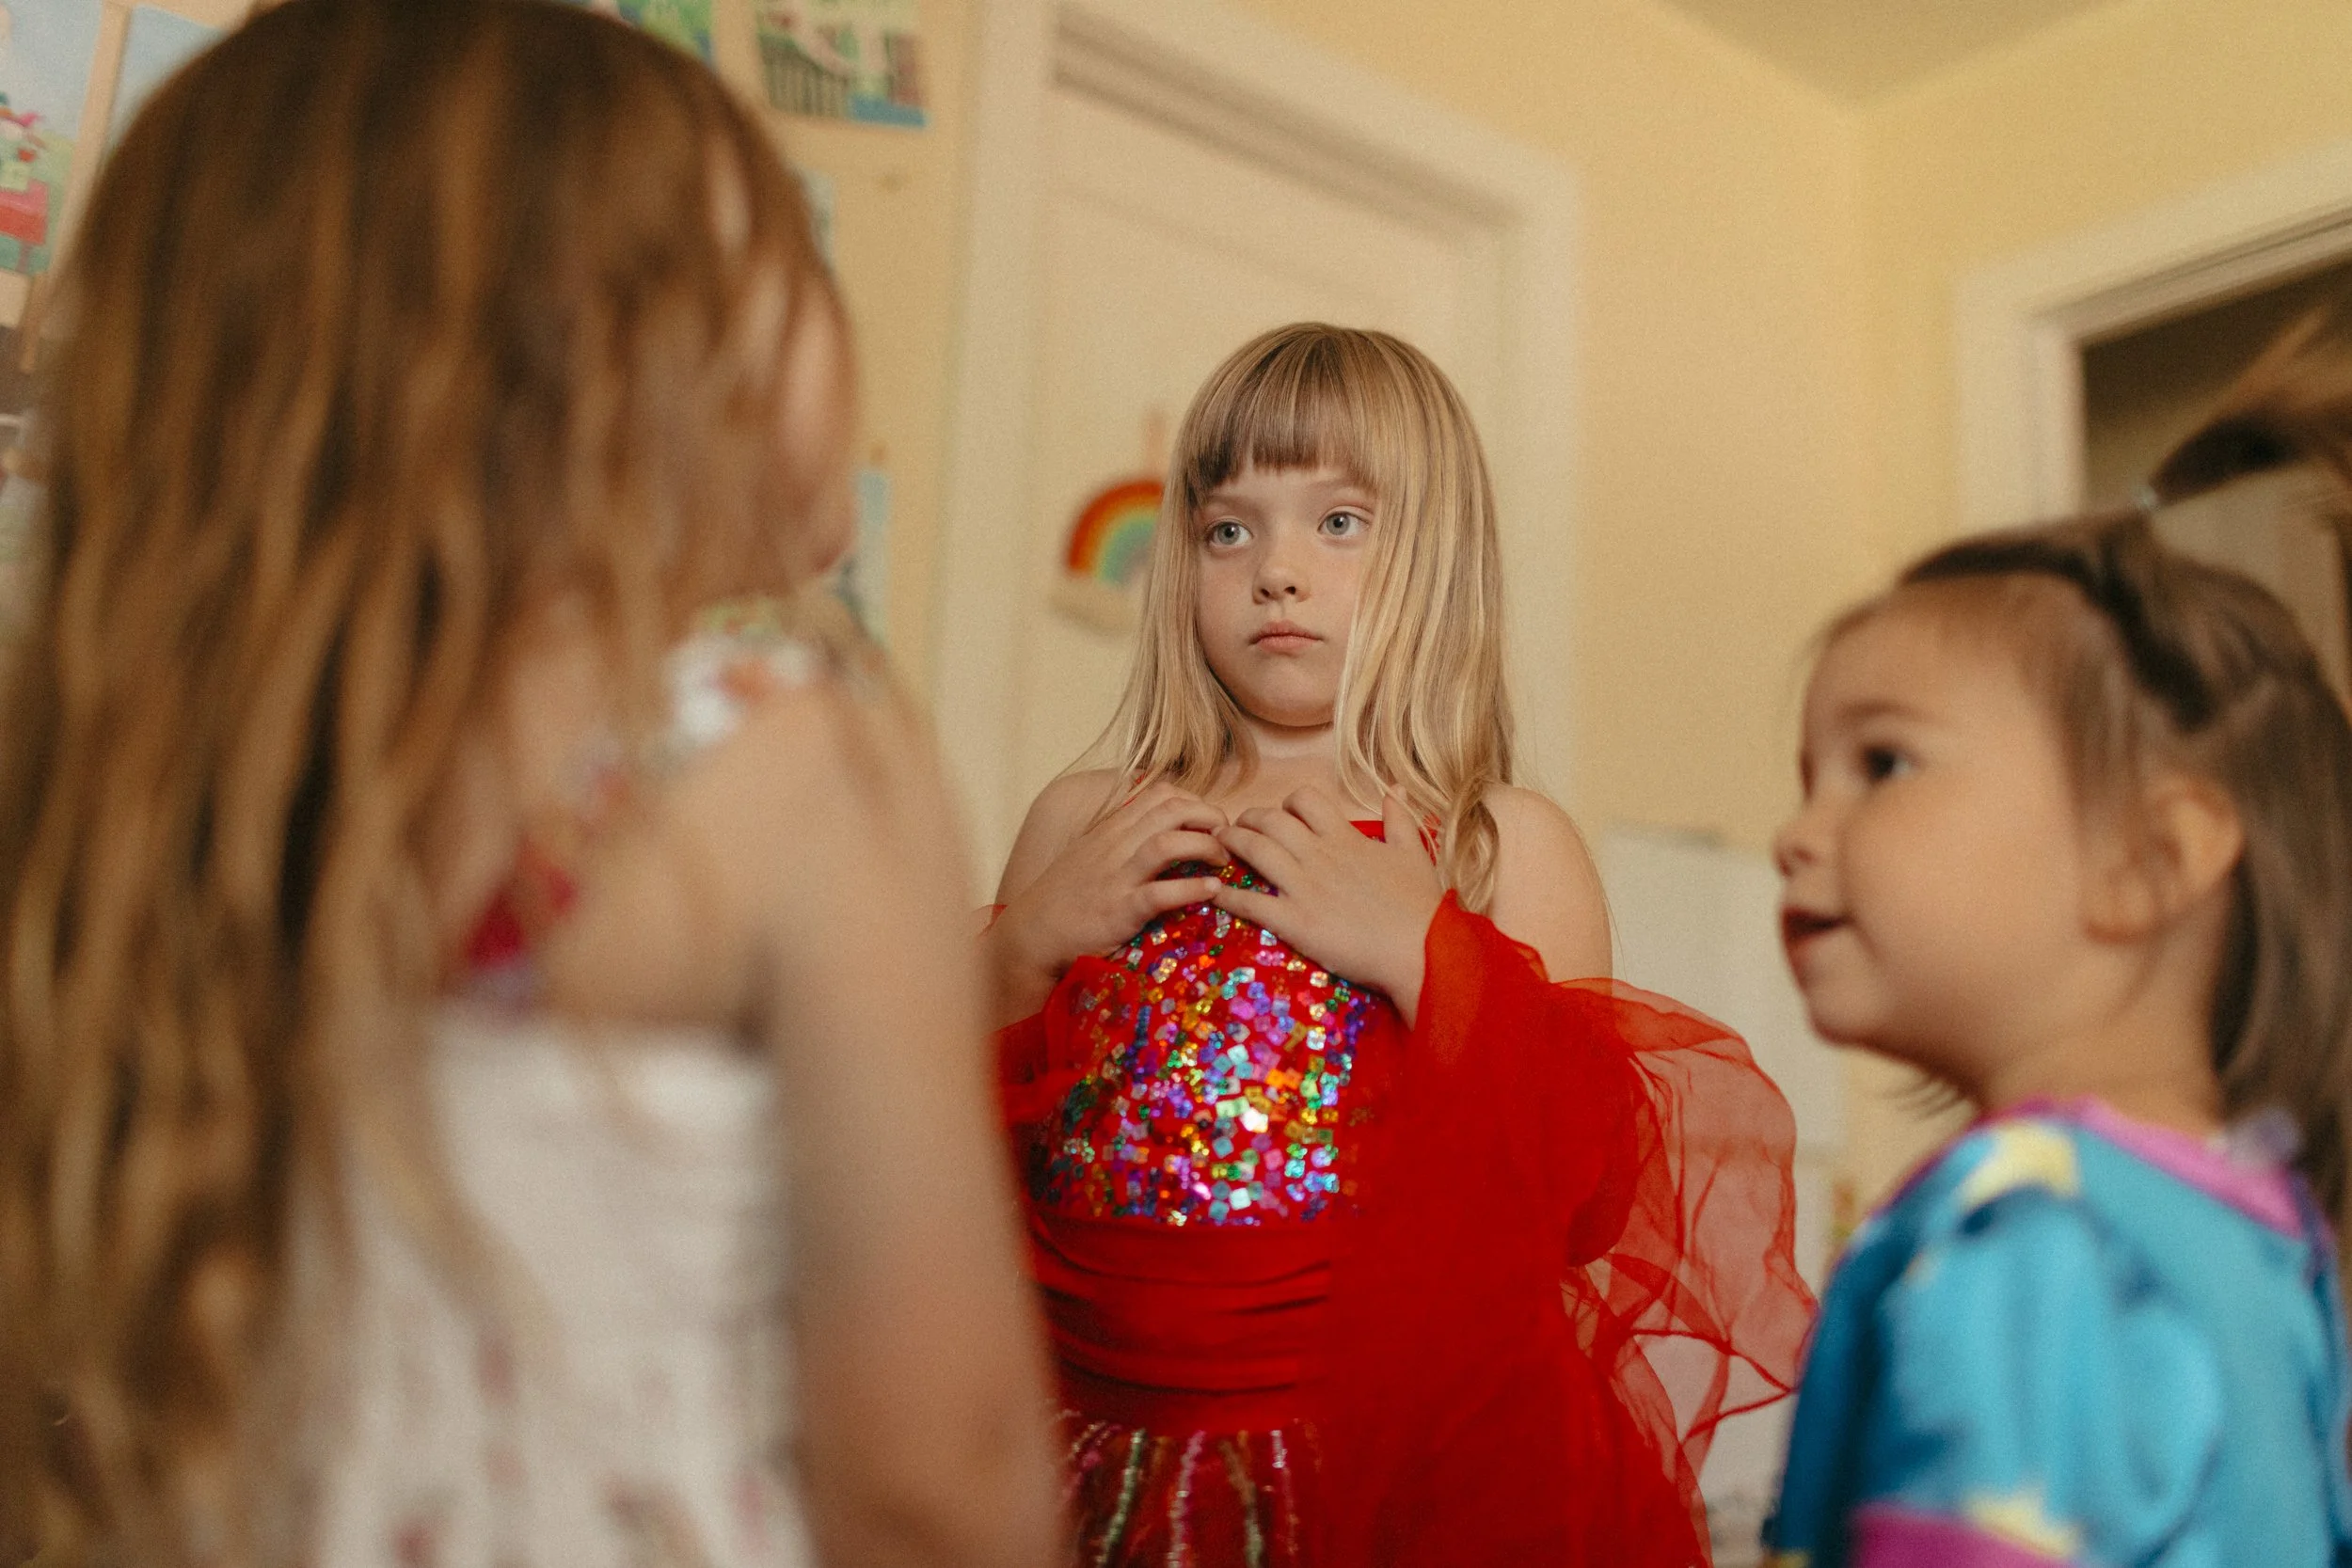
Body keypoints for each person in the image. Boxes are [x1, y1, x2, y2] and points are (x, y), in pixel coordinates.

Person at [0, 3, 1061, 1565]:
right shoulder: (793, 756)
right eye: (797, 259)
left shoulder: (141, 800)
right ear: (634, 345)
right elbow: (939, 1472)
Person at [984, 323, 1813, 1566]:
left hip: (1394, 1478)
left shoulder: (1498, 843)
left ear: (1438, 554)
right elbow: (934, 1156)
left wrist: (1427, 951)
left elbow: (1587, 1191)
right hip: (1083, 1451)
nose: (1276, 570)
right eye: (1227, 529)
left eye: (1338, 522)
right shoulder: (1083, 820)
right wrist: (1023, 951)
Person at [1765, 325, 2352, 1566]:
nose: (1795, 833)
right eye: (1810, 775)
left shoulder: (2030, 1231)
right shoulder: (2268, 1229)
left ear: (2149, 858)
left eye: (1883, 764)